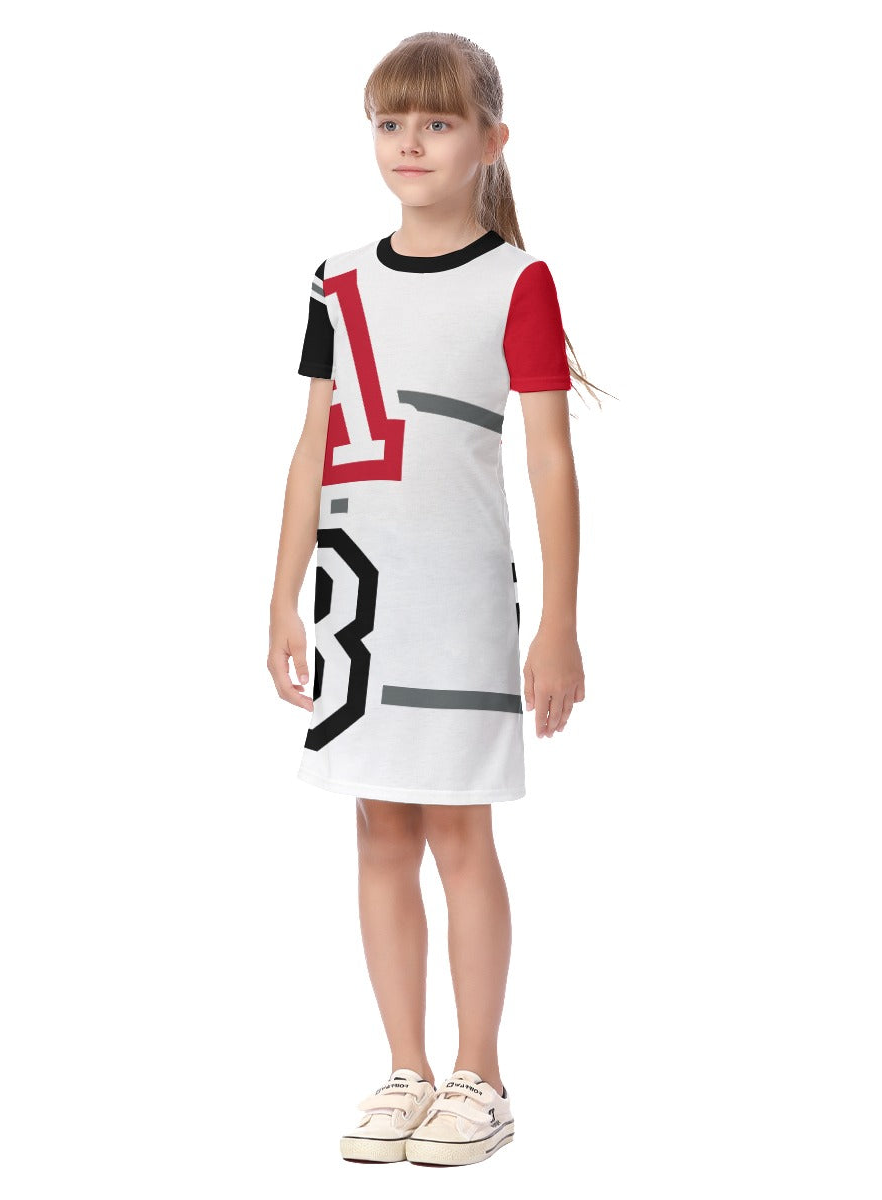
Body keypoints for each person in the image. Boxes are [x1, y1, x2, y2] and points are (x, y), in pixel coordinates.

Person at [268, 31, 608, 1167]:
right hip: (354, 599)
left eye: (438, 122)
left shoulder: (518, 281)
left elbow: (550, 461)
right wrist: (283, 598)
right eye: (390, 122)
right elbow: (312, 446)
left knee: (460, 829)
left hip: (460, 599)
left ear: (491, 141)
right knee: (378, 827)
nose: (409, 143)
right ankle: (405, 1068)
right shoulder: (336, 279)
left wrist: (558, 624)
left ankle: (482, 1075)